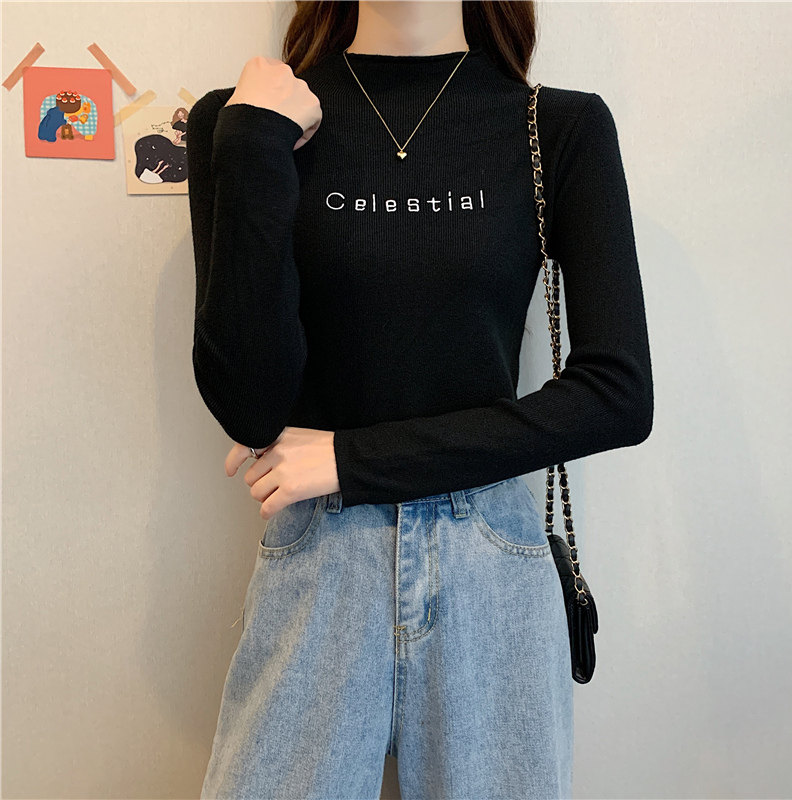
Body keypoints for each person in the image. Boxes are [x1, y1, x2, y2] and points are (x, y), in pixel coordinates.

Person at [187, 1, 654, 797]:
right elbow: (250, 406)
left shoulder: (557, 126)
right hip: (320, 559)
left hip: (490, 562)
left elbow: (618, 394)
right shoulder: (242, 119)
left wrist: (354, 459)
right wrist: (256, 141)